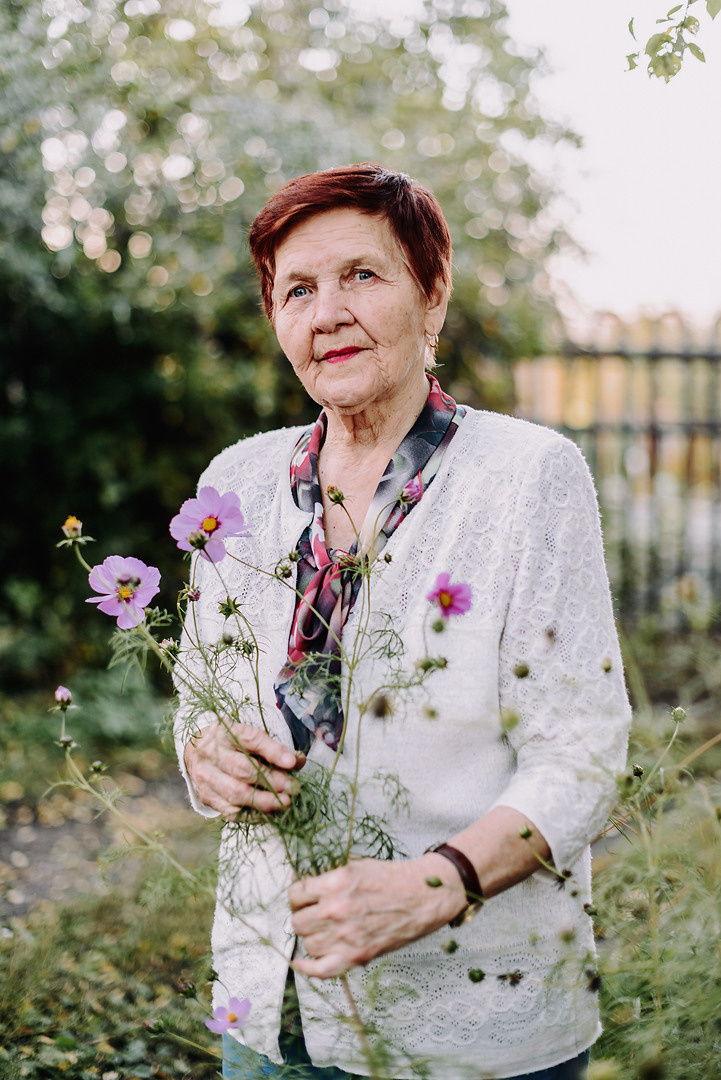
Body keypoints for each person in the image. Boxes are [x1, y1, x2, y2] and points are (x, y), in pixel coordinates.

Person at [175, 163, 631, 1080]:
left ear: (432, 296)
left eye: (362, 276)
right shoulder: (241, 483)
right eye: (296, 289)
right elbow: (200, 699)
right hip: (267, 1005)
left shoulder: (526, 477)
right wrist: (205, 753)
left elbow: (581, 754)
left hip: (468, 1021)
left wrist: (437, 885)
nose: (326, 313)